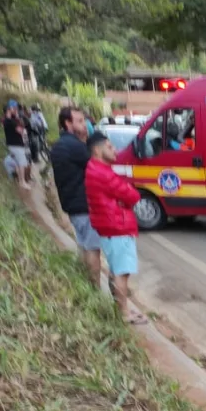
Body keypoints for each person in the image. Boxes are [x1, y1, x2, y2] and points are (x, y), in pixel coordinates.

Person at [85, 131, 147, 325]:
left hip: (109, 227)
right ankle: (123, 313)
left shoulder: (93, 169)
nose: (115, 151)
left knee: (116, 270)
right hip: (117, 227)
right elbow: (132, 196)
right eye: (110, 147)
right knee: (122, 273)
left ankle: (121, 308)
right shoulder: (103, 173)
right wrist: (128, 195)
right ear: (97, 150)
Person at [51, 106, 104, 289]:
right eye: (80, 121)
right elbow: (98, 167)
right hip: (85, 206)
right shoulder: (76, 147)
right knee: (92, 249)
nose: (84, 125)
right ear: (68, 123)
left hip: (72, 206)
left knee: (83, 247)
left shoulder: (58, 146)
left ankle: (86, 289)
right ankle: (95, 289)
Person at [3, 100, 31, 190]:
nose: (16, 110)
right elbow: (21, 131)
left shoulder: (6, 120)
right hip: (16, 145)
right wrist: (20, 122)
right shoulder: (11, 121)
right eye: (14, 108)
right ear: (10, 109)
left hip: (12, 145)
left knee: (19, 163)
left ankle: (19, 179)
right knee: (22, 164)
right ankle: (22, 182)